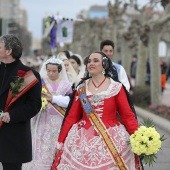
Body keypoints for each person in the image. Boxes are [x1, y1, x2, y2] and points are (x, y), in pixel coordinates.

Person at [52, 52, 143, 170]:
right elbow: (71, 117)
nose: (91, 63)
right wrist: (60, 142)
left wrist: (140, 139)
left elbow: (127, 116)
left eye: (95, 61)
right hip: (81, 140)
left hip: (112, 139)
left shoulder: (116, 87)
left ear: (104, 64)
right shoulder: (81, 88)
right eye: (89, 61)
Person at [0, 34, 42, 170]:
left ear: (9, 51)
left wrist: (12, 115)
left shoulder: (28, 75)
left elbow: (34, 105)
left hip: (13, 134)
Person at [23, 57, 72, 170]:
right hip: (42, 119)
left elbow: (70, 101)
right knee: (41, 144)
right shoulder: (40, 82)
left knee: (55, 144)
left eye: (54, 71)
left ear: (59, 70)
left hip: (58, 120)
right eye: (49, 70)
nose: (51, 73)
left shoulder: (66, 85)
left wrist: (55, 99)